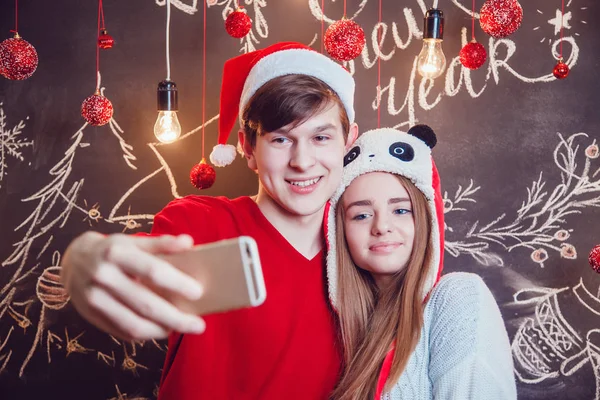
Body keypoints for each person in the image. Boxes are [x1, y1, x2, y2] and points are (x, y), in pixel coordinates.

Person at [60, 42, 358, 399]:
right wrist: (83, 258)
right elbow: (129, 266)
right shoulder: (199, 225)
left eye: (321, 137)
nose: (303, 161)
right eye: (280, 139)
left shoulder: (365, 242)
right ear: (247, 148)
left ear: (348, 142)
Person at [324, 126, 517, 399]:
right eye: (361, 215)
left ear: (425, 221)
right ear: (339, 230)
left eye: (401, 210)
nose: (381, 226)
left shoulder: (459, 298)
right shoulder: (341, 330)